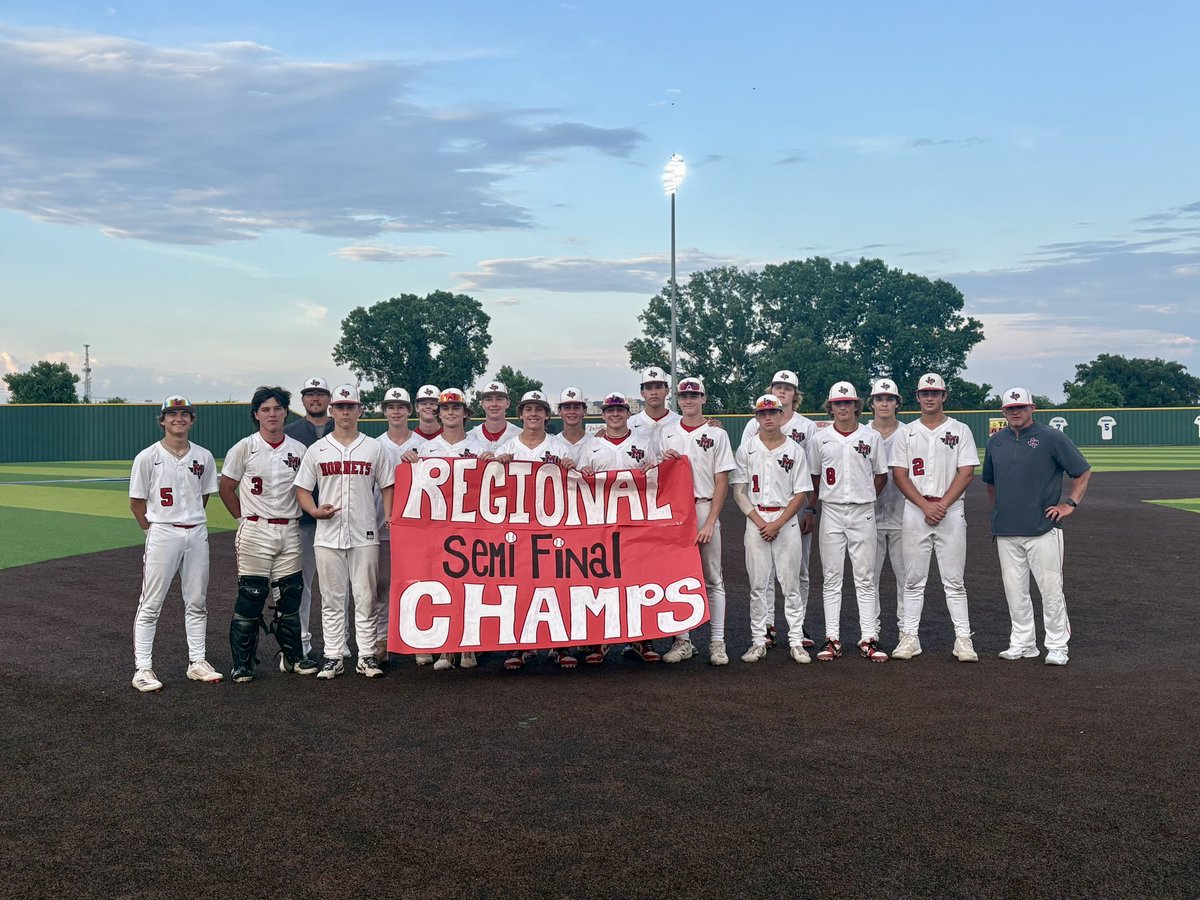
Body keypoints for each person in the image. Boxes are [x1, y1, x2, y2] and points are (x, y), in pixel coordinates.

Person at [982, 387, 1092, 666]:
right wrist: (1001, 510)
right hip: (1006, 529)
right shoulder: (996, 442)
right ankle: (1023, 642)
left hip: (1043, 526)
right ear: (1003, 412)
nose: (1016, 412)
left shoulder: (1051, 437)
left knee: (1051, 588)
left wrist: (1069, 504)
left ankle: (1057, 645)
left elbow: (1082, 471)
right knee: (1014, 590)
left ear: (1032, 408)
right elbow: (991, 483)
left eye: (1021, 407)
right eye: (1010, 408)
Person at [294, 384, 395, 680]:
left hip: (365, 531)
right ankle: (333, 655)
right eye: (340, 406)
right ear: (331, 411)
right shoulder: (318, 449)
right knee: (332, 598)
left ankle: (366, 655)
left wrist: (388, 514)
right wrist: (313, 511)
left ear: (360, 410)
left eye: (351, 406)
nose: (345, 411)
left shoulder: (374, 447)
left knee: (366, 596)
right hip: (327, 534)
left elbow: (387, 484)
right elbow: (301, 488)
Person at [219, 386, 317, 682]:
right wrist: (243, 519)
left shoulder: (300, 450)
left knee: (290, 597)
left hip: (290, 528)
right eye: (265, 409)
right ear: (256, 415)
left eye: (277, 408)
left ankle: (293, 657)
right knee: (251, 596)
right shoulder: (244, 447)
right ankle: (243, 663)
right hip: (255, 528)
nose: (272, 414)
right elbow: (226, 487)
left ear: (286, 412)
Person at [128, 395, 223, 691]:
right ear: (162, 421)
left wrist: (189, 520)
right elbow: (136, 503)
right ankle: (143, 668)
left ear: (192, 419)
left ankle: (197, 662)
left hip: (196, 531)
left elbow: (203, 496)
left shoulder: (204, 456)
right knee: (151, 603)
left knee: (197, 601)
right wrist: (153, 532)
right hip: (163, 531)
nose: (178, 418)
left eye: (184, 414)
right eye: (172, 414)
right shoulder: (147, 457)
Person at [890, 373, 980, 663]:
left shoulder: (960, 429)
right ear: (917, 397)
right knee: (913, 579)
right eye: (924, 393)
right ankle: (909, 637)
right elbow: (899, 474)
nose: (930, 398)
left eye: (935, 393)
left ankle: (963, 639)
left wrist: (940, 504)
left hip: (950, 510)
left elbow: (966, 473)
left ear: (944, 396)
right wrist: (925, 505)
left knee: (954, 581)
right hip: (916, 509)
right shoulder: (906, 432)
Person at [403, 387, 493, 670]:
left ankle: (468, 646)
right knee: (439, 584)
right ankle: (444, 648)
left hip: (472, 527)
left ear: (466, 413)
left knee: (470, 585)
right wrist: (408, 462)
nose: (451, 413)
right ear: (437, 414)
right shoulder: (426, 449)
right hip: (437, 528)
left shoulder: (481, 447)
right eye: (445, 409)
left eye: (456, 408)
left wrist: (493, 464)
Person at [576, 391, 662, 663]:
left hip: (635, 524)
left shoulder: (643, 442)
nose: (615, 414)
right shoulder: (591, 446)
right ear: (602, 415)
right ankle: (599, 641)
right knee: (601, 583)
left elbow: (658, 480)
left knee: (637, 581)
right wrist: (584, 475)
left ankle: (641, 638)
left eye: (620, 410)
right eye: (610, 410)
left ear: (628, 413)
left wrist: (655, 468)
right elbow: (577, 486)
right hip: (600, 524)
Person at [495, 390, 577, 669]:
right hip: (516, 528)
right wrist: (494, 465)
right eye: (528, 409)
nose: (533, 414)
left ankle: (560, 644)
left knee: (557, 585)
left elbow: (576, 487)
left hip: (553, 528)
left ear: (546, 415)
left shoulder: (560, 448)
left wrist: (570, 468)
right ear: (520, 414)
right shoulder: (506, 448)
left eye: (539, 409)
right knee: (518, 586)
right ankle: (520, 645)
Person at [740, 370, 819, 650]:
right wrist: (761, 520)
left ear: (795, 394)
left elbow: (811, 475)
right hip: (761, 513)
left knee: (797, 573)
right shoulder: (752, 431)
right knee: (763, 578)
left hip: (792, 511)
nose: (782, 391)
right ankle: (767, 628)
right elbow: (745, 478)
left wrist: (810, 508)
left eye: (787, 387)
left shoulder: (805, 428)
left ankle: (797, 629)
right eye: (777, 386)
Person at [659, 377, 735, 665]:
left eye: (694, 395)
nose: (689, 400)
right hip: (675, 513)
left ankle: (717, 641)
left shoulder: (717, 434)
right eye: (684, 396)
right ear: (678, 400)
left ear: (703, 398)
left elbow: (722, 480)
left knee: (713, 578)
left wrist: (711, 521)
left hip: (703, 507)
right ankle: (683, 640)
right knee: (677, 577)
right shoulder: (666, 433)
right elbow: (653, 474)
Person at [812, 382, 889, 662]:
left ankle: (869, 637)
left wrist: (866, 495)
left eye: (847, 402)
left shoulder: (871, 437)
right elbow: (814, 475)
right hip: (832, 510)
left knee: (865, 577)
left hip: (862, 511)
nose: (843, 407)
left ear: (856, 405)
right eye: (837, 403)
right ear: (830, 406)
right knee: (831, 577)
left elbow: (881, 475)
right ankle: (832, 638)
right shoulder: (820, 439)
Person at [283, 377, 334, 659]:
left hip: (339, 520)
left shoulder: (344, 428)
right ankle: (302, 643)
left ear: (329, 400)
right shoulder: (290, 433)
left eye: (320, 393)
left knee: (339, 588)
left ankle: (340, 643)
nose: (315, 398)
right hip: (302, 521)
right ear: (303, 400)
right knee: (301, 586)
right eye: (310, 394)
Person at [373, 387, 423, 663]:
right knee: (381, 587)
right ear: (384, 411)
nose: (396, 411)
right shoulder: (375, 444)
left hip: (416, 532)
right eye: (391, 406)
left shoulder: (425, 444)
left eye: (401, 406)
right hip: (382, 525)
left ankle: (418, 640)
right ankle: (382, 640)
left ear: (409, 411)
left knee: (417, 584)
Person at [866, 378, 905, 648]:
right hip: (869, 518)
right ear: (871, 403)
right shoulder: (862, 434)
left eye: (889, 398)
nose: (884, 403)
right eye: (879, 398)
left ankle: (906, 630)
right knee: (870, 578)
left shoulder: (909, 432)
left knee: (906, 578)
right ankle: (872, 630)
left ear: (897, 403)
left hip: (904, 516)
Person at [467, 379, 520, 455]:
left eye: (499, 399)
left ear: (508, 403)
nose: (494, 404)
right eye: (489, 400)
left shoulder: (519, 435)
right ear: (482, 404)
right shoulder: (470, 437)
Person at [630, 366, 681, 433]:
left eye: (658, 387)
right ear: (642, 393)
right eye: (649, 388)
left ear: (667, 391)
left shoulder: (679, 422)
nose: (654, 392)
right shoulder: (630, 424)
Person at [556, 386, 599, 465]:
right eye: (567, 408)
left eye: (576, 407)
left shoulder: (595, 443)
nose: (572, 412)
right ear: (559, 412)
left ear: (584, 411)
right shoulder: (553, 443)